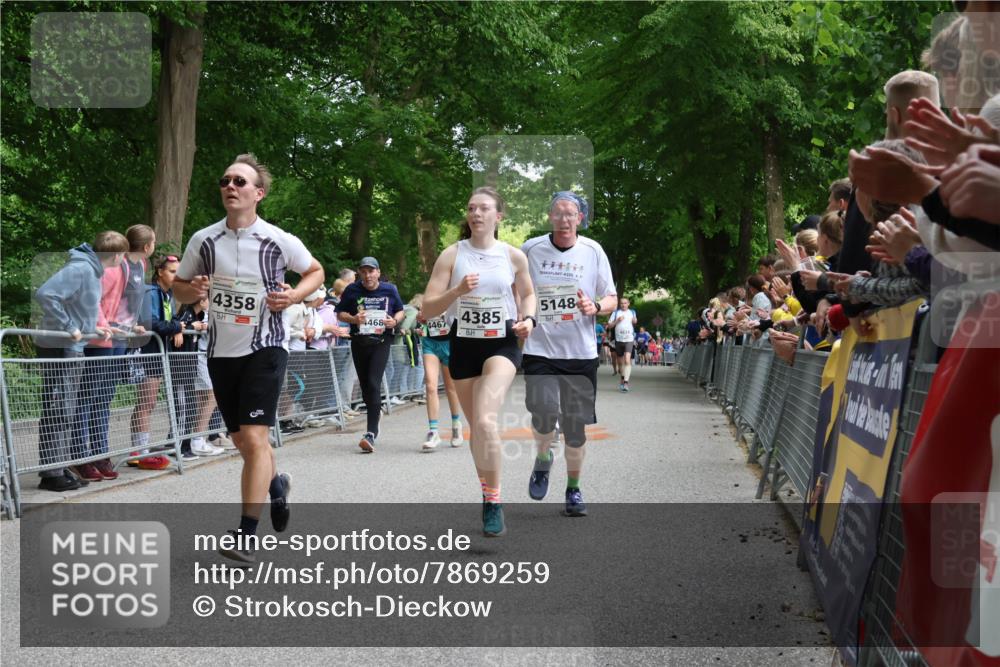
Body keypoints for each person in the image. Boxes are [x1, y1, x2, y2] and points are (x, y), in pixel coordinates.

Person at [174, 153, 325, 565]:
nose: (230, 186)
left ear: (258, 194)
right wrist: (194, 289)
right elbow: (179, 288)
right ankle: (276, 487)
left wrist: (293, 296)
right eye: (225, 181)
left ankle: (245, 535)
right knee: (242, 440)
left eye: (239, 181)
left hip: (266, 347)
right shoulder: (204, 240)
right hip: (221, 351)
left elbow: (315, 271)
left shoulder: (277, 239)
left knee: (255, 438)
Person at [421, 186, 536, 536]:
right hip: (464, 344)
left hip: (502, 342)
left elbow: (528, 294)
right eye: (471, 208)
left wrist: (529, 319)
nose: (476, 213)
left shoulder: (513, 256)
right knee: (478, 430)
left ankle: (495, 502)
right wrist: (457, 291)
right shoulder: (452, 255)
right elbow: (428, 309)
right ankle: (487, 494)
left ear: (498, 216)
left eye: (484, 208)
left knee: (486, 421)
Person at [521, 191, 616, 517]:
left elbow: (611, 297)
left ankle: (573, 489)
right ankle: (544, 457)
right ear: (550, 216)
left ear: (580, 218)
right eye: (558, 213)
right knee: (544, 412)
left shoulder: (593, 251)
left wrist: (596, 306)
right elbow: (516, 288)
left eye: (570, 214)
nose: (564, 219)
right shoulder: (531, 249)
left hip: (580, 353)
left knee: (575, 431)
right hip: (540, 348)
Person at [36, 231, 129, 491]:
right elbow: (46, 294)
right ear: (117, 256)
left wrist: (95, 329)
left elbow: (77, 308)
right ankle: (51, 474)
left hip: (73, 346)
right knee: (59, 409)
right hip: (61, 347)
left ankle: (58, 467)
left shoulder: (92, 270)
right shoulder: (81, 268)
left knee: (66, 409)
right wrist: (69, 327)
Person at [335, 257, 404, 453]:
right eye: (364, 272)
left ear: (378, 273)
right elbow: (340, 313)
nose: (368, 276)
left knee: (374, 382)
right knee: (366, 387)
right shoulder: (352, 290)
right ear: (359, 273)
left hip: (382, 341)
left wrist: (394, 321)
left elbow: (400, 311)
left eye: (371, 271)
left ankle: (370, 433)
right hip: (359, 341)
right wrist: (354, 319)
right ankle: (376, 410)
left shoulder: (390, 290)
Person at [412, 295, 464, 451]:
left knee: (451, 388)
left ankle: (456, 425)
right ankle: (433, 432)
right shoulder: (430, 297)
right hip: (430, 342)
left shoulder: (454, 297)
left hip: (450, 343)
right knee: (430, 385)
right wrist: (421, 317)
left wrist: (447, 315)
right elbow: (421, 318)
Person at [608, 296, 637, 392]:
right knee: (620, 363)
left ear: (628, 304)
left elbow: (635, 321)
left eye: (625, 303)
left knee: (627, 360)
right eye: (621, 303)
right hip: (619, 339)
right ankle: (622, 378)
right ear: (619, 304)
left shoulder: (632, 312)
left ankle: (626, 383)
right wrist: (617, 320)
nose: (623, 305)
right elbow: (609, 326)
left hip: (629, 339)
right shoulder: (615, 313)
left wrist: (634, 321)